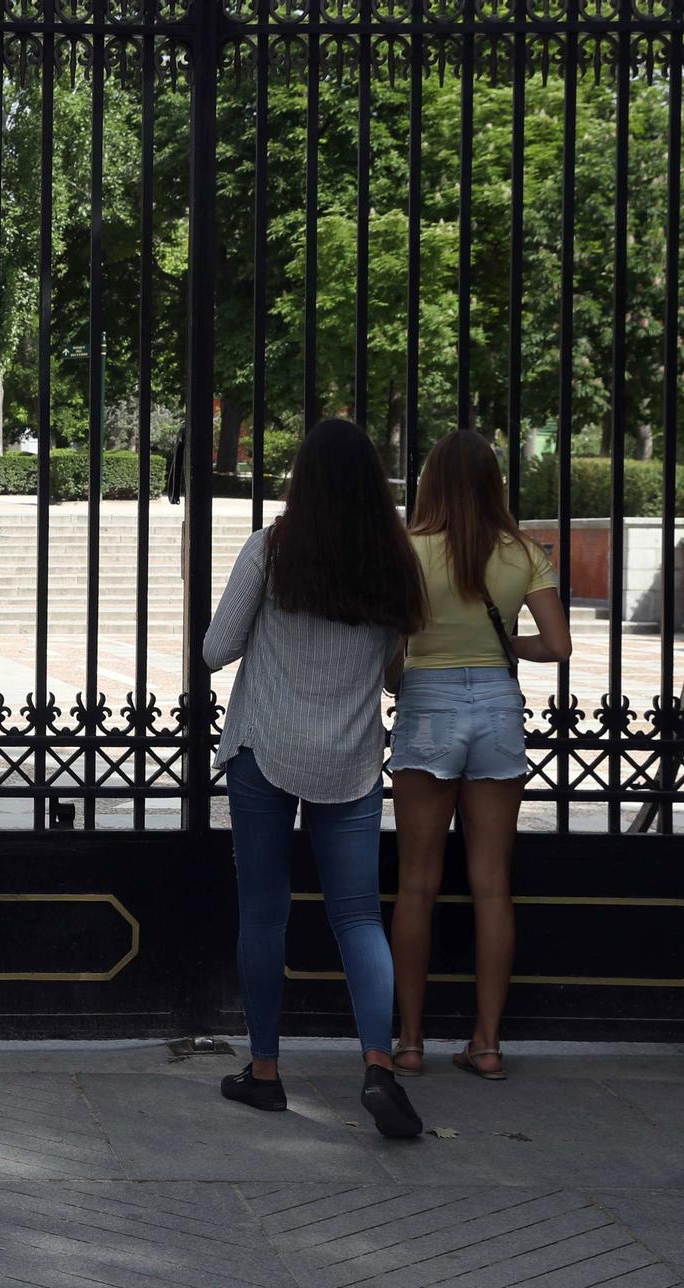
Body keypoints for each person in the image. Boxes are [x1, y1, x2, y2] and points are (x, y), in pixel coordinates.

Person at [204, 418, 427, 1140]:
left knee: (264, 911)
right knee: (358, 916)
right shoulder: (396, 563)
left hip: (264, 748)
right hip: (352, 760)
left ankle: (265, 1072)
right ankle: (377, 1065)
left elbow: (215, 649)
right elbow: (395, 667)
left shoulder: (272, 548)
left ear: (301, 477)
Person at [388, 429, 571, 1082]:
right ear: (494, 483)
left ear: (430, 482)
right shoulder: (522, 550)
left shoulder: (407, 550)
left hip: (428, 703)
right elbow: (558, 646)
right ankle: (486, 1042)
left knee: (417, 881)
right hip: (496, 703)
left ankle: (408, 1042)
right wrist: (504, 651)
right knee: (492, 882)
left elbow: (393, 652)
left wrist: (401, 678)